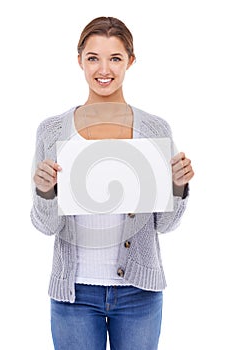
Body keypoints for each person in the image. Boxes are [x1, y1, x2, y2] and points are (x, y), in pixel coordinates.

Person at [31, 16, 194, 350]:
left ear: (130, 61)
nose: (103, 69)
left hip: (139, 295)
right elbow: (45, 225)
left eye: (115, 58)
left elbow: (165, 224)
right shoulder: (51, 131)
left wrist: (177, 187)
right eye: (93, 58)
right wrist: (45, 192)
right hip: (74, 295)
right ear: (79, 60)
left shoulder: (155, 129)